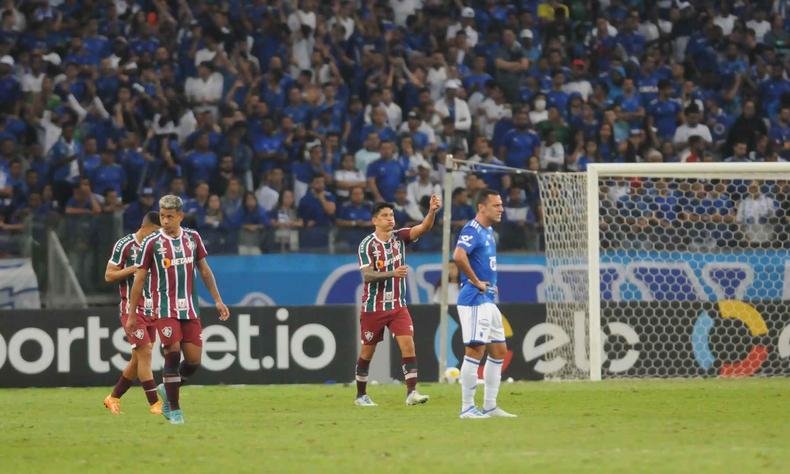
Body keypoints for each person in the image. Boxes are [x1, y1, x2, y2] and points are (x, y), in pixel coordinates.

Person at [127, 195, 230, 424]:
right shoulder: (152, 243)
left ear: (180, 216)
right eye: (163, 216)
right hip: (164, 308)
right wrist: (132, 313)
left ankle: (167, 388)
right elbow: (139, 279)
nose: (165, 221)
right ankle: (174, 410)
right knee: (172, 352)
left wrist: (217, 300)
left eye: (170, 217)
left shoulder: (193, 238)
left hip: (189, 308)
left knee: (193, 360)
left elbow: (204, 270)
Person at [354, 194, 442, 407]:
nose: (390, 219)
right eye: (385, 216)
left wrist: (431, 212)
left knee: (408, 345)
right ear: (375, 220)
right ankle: (361, 395)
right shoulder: (367, 245)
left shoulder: (399, 237)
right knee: (367, 352)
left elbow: (423, 228)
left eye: (391, 215)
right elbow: (367, 275)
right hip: (374, 306)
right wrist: (392, 273)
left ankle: (411, 392)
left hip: (397, 305)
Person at [452, 189, 517, 419]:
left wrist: (490, 284)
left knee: (499, 351)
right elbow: (458, 256)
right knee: (475, 350)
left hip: (487, 298)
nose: (501, 209)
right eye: (496, 205)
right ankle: (467, 408)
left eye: (501, 205)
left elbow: (482, 263)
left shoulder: (488, 231)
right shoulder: (472, 229)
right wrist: (476, 281)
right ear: (482, 207)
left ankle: (490, 406)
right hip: (473, 299)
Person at [103, 211, 162, 416]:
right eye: (156, 231)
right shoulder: (125, 245)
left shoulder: (156, 246)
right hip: (132, 309)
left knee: (138, 359)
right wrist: (133, 269)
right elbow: (109, 275)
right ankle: (154, 403)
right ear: (145, 227)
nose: (158, 235)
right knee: (145, 353)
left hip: (152, 309)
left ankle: (113, 397)